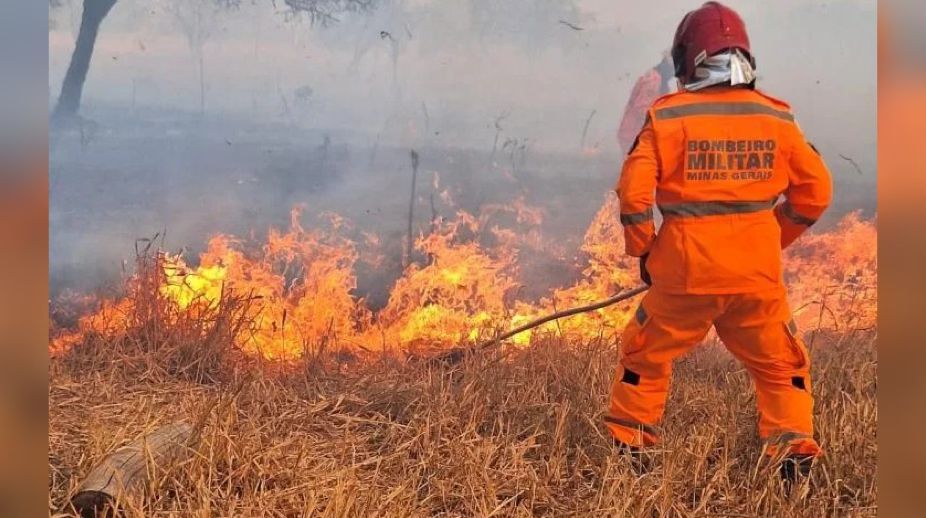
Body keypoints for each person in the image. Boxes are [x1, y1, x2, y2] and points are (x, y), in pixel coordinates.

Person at [605, 1, 833, 483]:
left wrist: (643, 249)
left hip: (684, 277)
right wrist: (771, 237)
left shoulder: (667, 117)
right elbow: (816, 194)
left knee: (645, 357)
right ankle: (792, 449)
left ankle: (632, 450)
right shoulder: (779, 117)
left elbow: (633, 194)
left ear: (689, 57)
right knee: (779, 365)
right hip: (757, 279)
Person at [617, 53, 677, 155]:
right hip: (633, 134)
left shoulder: (660, 80)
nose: (674, 74)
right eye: (673, 70)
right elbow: (641, 107)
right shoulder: (654, 79)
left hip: (638, 134)